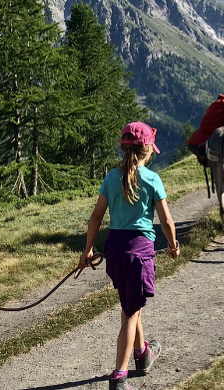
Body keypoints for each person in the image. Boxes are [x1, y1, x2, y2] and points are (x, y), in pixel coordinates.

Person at [80, 122, 180, 390]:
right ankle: (119, 376)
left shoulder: (112, 177)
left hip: (115, 250)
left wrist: (87, 249)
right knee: (129, 313)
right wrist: (173, 244)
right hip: (139, 254)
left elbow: (96, 217)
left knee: (131, 305)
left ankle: (143, 353)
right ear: (147, 149)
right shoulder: (152, 179)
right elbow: (167, 220)